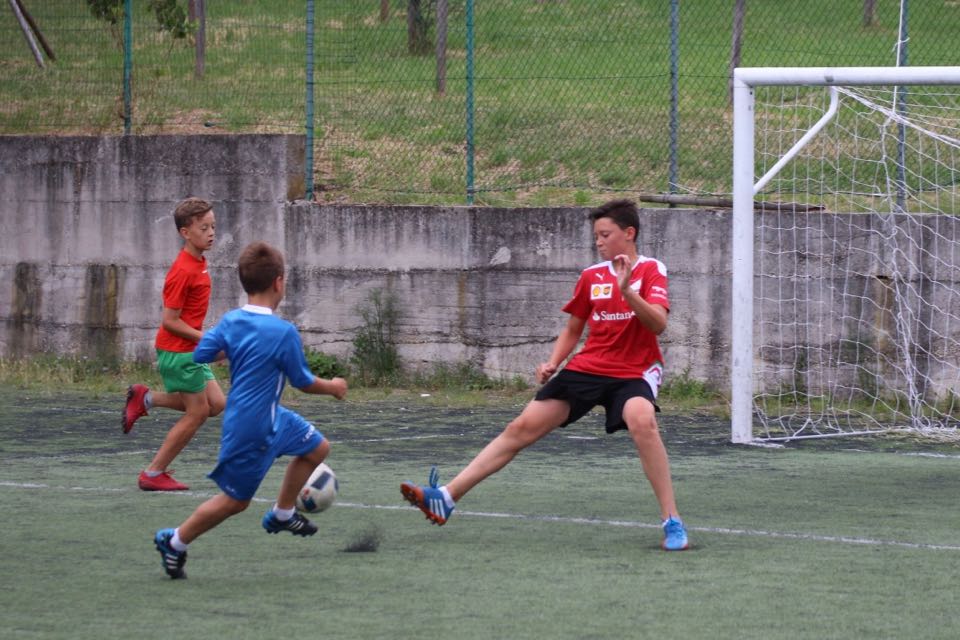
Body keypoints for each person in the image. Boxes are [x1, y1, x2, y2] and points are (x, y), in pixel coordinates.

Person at [401, 199, 689, 551]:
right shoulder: (591, 276)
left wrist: (627, 290)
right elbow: (573, 329)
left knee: (642, 421)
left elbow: (658, 324)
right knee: (520, 428)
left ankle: (672, 521)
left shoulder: (651, 269)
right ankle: (446, 497)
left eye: (605, 234)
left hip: (635, 370)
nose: (598, 241)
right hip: (589, 367)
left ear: (629, 234)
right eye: (596, 236)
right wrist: (553, 362)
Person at [154, 241, 348, 579]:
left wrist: (233, 348)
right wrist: (333, 387)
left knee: (318, 448)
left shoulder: (231, 321)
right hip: (251, 428)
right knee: (236, 501)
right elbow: (303, 382)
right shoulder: (283, 332)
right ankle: (176, 541)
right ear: (278, 282)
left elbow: (202, 353)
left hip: (273, 417)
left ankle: (283, 513)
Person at [122, 197, 226, 491]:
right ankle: (153, 473)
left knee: (217, 404)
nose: (211, 233)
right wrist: (208, 340)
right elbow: (170, 320)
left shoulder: (199, 262)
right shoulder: (183, 270)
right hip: (178, 352)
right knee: (198, 412)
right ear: (185, 232)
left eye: (213, 226)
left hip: (191, 350)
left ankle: (146, 399)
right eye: (204, 228)